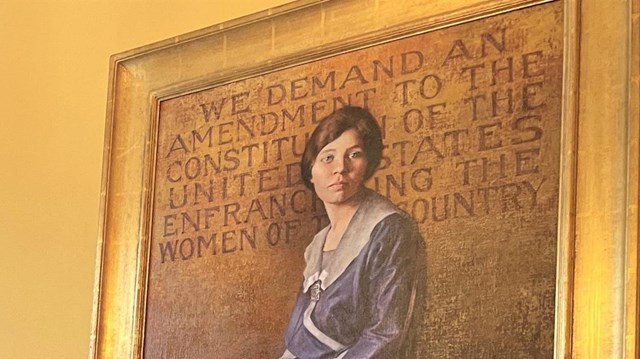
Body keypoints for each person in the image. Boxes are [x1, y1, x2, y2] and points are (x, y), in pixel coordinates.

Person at [280, 106, 424, 359]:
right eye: (328, 158)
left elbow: (386, 334)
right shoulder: (317, 244)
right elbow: (300, 339)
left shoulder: (389, 230)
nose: (340, 168)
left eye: (354, 155)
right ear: (311, 171)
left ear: (367, 164)